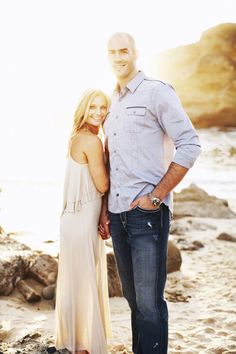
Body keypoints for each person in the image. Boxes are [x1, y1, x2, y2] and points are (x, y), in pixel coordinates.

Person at [99, 32, 201, 354]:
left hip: (147, 216)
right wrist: (104, 209)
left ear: (136, 53)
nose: (118, 57)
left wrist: (156, 197)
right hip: (117, 216)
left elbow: (190, 144)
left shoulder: (157, 92)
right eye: (112, 52)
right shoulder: (111, 102)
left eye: (124, 50)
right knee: (134, 302)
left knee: (149, 303)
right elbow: (111, 161)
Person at [55, 89, 112, 354]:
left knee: (77, 283)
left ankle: (77, 343)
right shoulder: (92, 141)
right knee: (85, 281)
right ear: (83, 110)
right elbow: (102, 184)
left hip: (73, 221)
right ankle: (83, 345)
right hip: (81, 223)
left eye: (103, 107)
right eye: (93, 108)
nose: (99, 112)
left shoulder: (76, 136)